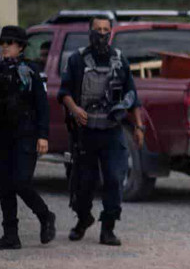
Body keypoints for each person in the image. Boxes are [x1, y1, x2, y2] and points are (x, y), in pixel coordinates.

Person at [57, 16, 144, 246]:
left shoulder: (119, 60)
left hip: (112, 131)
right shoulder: (77, 60)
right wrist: (75, 109)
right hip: (85, 133)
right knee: (84, 182)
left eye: (106, 30)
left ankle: (108, 228)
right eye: (98, 29)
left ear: (111, 32)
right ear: (90, 32)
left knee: (115, 179)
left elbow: (133, 97)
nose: (102, 34)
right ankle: (83, 219)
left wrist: (139, 127)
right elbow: (63, 93)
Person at [0, 25, 57, 251]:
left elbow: (42, 106)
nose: (5, 47)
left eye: (10, 43)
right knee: (5, 186)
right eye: (2, 43)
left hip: (25, 135)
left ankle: (45, 216)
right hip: (2, 135)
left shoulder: (31, 71)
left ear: (21, 47)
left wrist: (43, 135)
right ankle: (10, 235)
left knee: (21, 182)